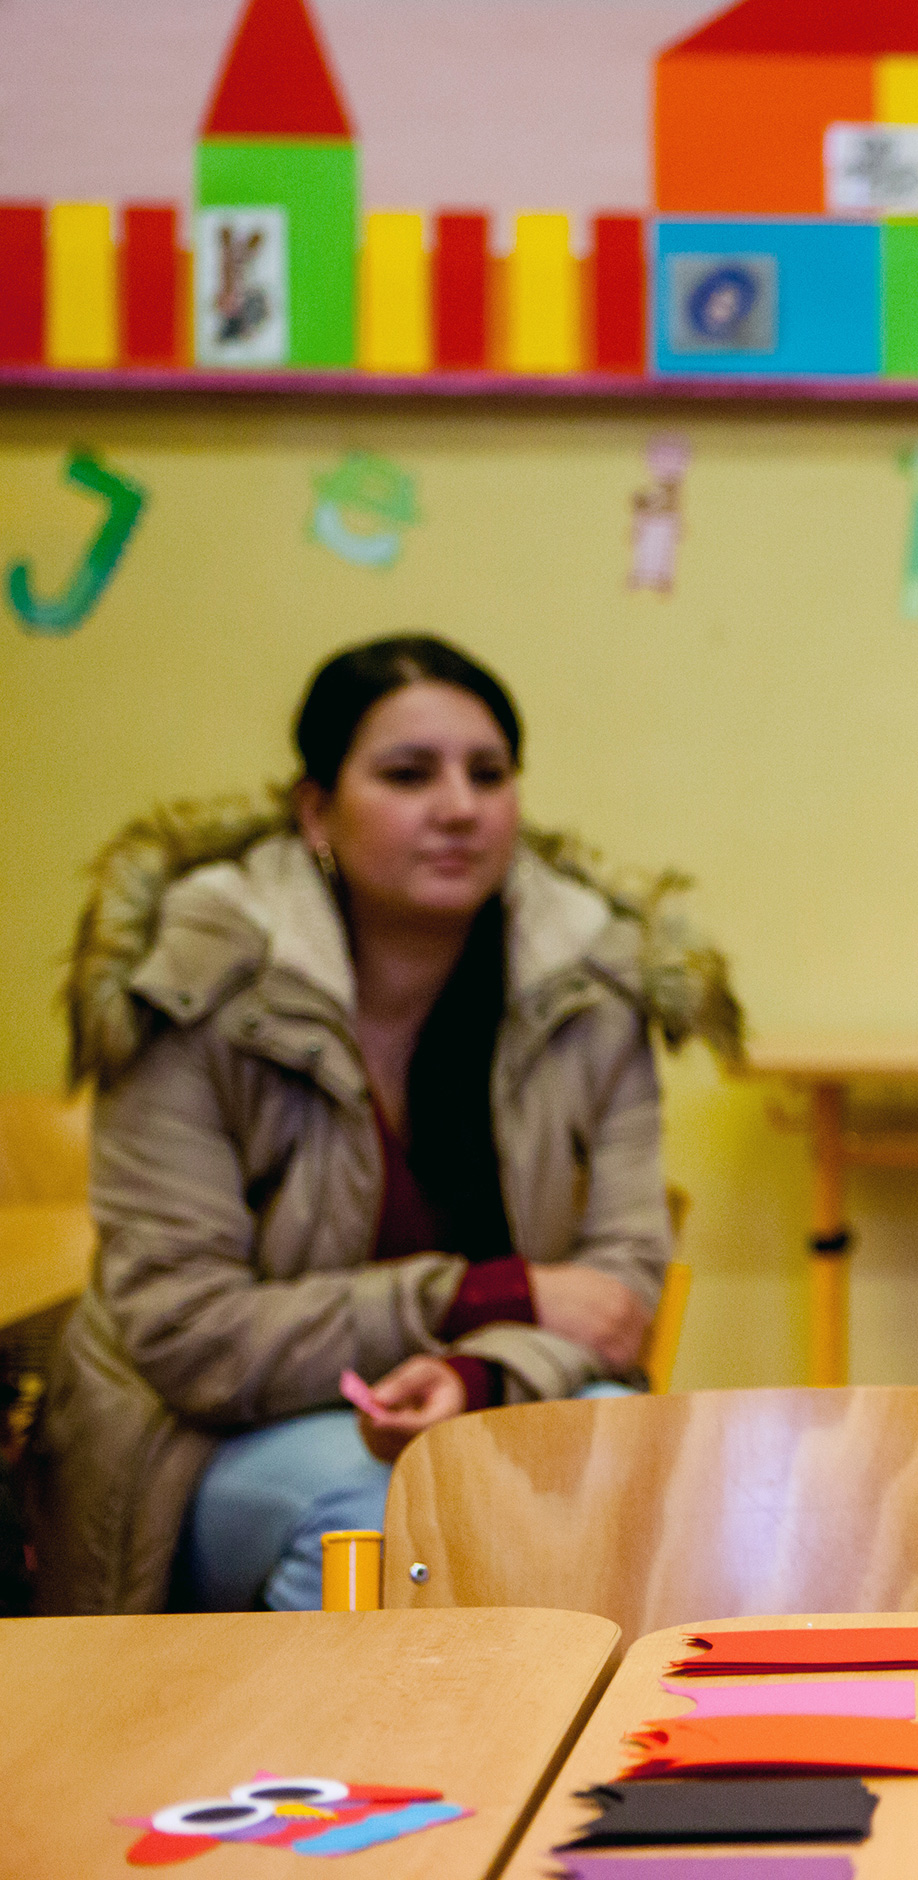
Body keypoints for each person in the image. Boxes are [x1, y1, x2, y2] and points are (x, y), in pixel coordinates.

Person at [38, 634, 739, 1614]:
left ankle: (593, 1761)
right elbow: (188, 1332)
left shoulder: (590, 981)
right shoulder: (195, 987)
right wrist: (486, 1294)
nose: (459, 805)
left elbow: (615, 1294)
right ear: (316, 809)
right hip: (209, 1437)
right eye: (409, 774)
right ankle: (331, 1769)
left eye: (488, 773)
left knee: (644, 1460)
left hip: (484, 1391)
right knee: (377, 1510)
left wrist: (478, 1369)